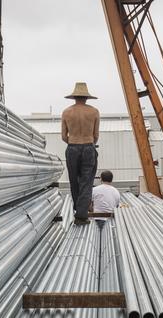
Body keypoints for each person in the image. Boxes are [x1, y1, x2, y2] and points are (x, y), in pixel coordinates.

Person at [62, 82, 100, 225]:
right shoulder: (94, 112)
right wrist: (88, 143)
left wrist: (74, 143)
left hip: (72, 147)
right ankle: (81, 215)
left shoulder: (66, 112)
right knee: (86, 182)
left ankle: (78, 210)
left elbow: (63, 136)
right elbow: (96, 135)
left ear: (74, 97)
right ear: (86, 97)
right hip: (89, 147)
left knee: (74, 181)